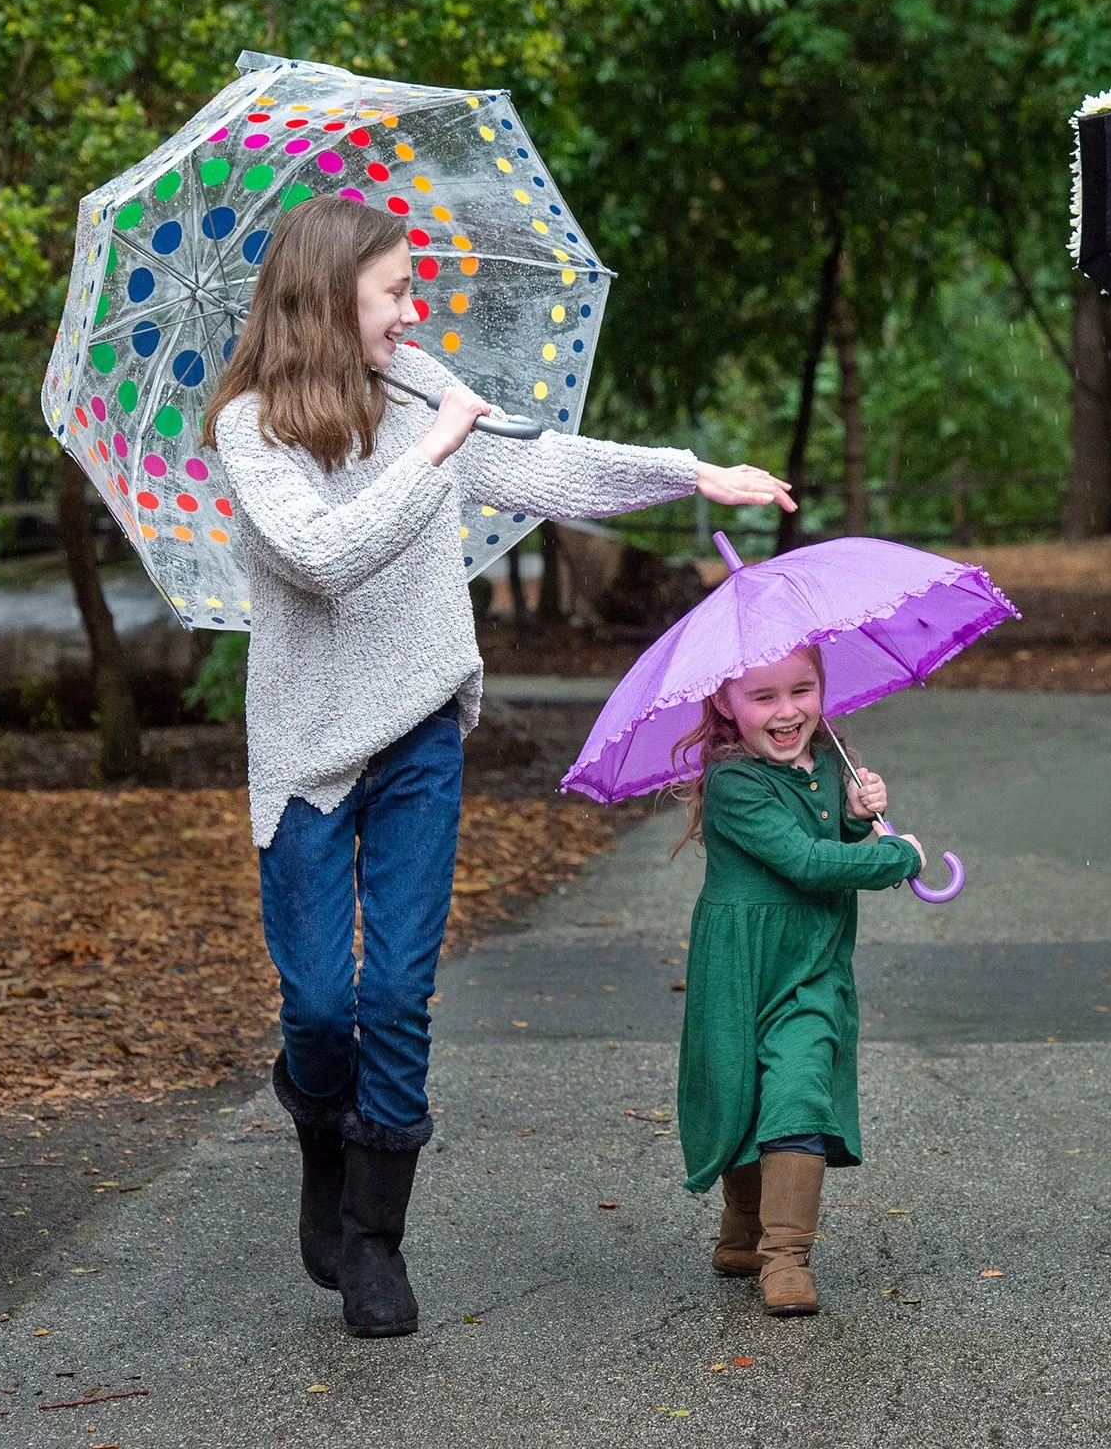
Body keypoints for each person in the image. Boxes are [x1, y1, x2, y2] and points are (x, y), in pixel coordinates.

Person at [203, 197, 793, 1337]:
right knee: (319, 1007)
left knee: (396, 992)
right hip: (306, 746)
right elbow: (324, 556)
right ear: (329, 295)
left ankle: (375, 1237)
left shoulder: (421, 387)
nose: (411, 312)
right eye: (394, 292)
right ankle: (322, 1135)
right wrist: (436, 450)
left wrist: (692, 472)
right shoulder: (251, 427)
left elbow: (547, 468)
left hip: (420, 728)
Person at [668, 646, 924, 1317]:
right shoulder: (733, 782)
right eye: (764, 697)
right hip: (740, 966)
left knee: (798, 1085)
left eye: (802, 690)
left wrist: (857, 814)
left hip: (810, 966)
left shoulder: (828, 760)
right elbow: (806, 861)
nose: (787, 711)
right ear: (725, 703)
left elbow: (823, 833)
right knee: (741, 1089)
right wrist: (895, 857)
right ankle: (742, 1229)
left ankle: (785, 1257)